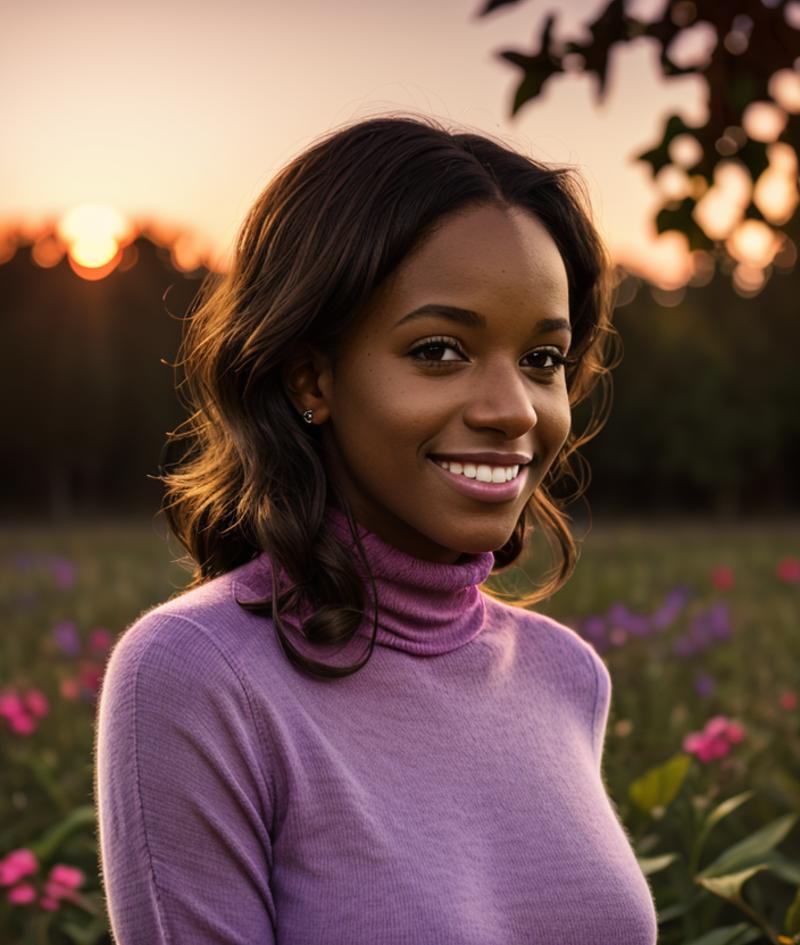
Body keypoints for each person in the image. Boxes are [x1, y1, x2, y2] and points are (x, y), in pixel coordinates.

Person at [94, 114, 658, 944]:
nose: (513, 410)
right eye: (439, 350)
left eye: (543, 359)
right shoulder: (200, 676)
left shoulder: (566, 677)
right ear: (309, 378)